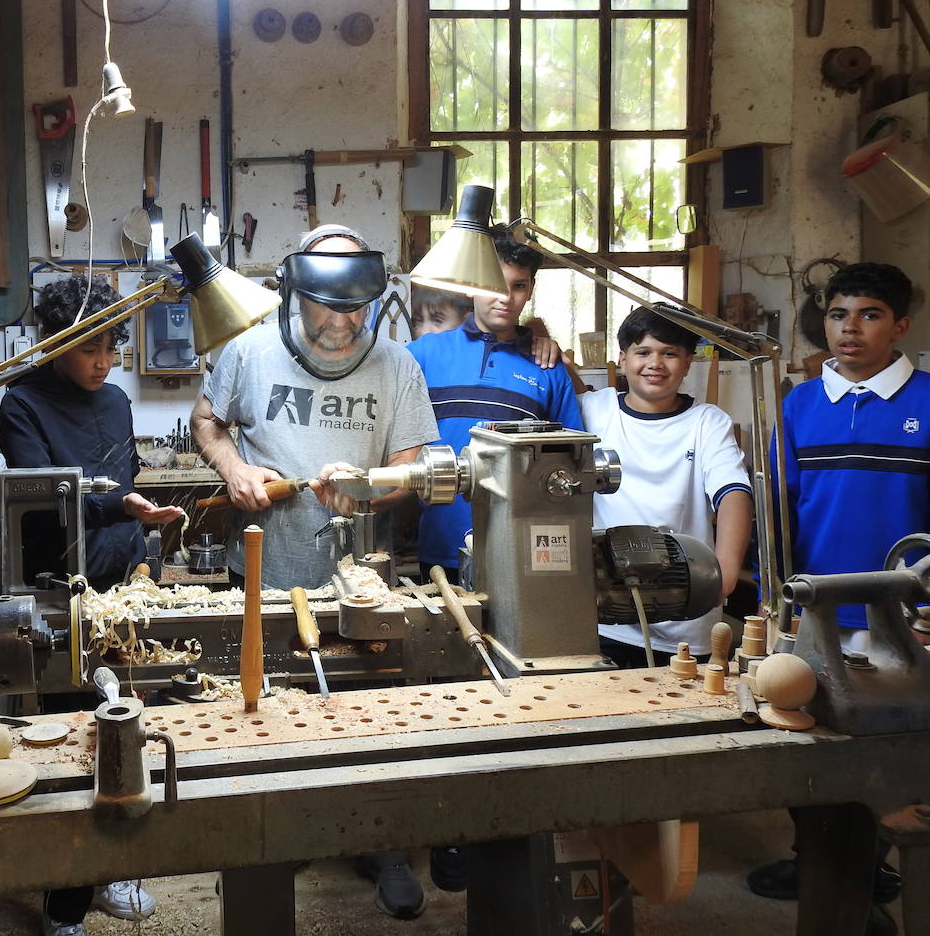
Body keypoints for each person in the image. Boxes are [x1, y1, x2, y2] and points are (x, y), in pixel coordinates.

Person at [191, 224, 439, 919]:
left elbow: (417, 465)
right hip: (273, 564)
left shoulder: (397, 365)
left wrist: (368, 485)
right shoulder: (247, 347)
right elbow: (206, 421)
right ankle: (270, 839)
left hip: (363, 569)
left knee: (372, 701)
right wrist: (235, 467)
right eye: (330, 305)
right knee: (271, 704)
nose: (346, 319)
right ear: (294, 290)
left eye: (358, 305)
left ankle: (382, 841)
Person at [0, 276, 182, 936]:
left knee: (131, 737)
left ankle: (114, 870)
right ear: (54, 346)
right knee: (74, 748)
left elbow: (129, 490)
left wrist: (147, 560)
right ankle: (63, 903)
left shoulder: (116, 403)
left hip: (121, 594)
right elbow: (47, 501)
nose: (102, 361)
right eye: (88, 348)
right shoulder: (20, 405)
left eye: (111, 345)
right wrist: (120, 505)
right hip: (58, 598)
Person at [746, 263, 929, 936]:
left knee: (893, 762)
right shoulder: (798, 406)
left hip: (907, 623)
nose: (850, 328)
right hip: (816, 617)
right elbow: (779, 513)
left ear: (900, 325)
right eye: (839, 314)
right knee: (812, 754)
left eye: (870, 314)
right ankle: (835, 877)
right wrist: (775, 602)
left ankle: (862, 881)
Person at [408, 224, 584, 582]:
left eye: (518, 285)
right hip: (439, 548)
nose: (506, 297)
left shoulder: (548, 369)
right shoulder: (423, 355)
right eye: (495, 283)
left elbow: (574, 465)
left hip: (519, 551)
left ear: (530, 289)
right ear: (473, 285)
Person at [581, 307, 754, 667]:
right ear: (623, 358)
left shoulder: (707, 422)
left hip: (687, 615)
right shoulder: (595, 410)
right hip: (605, 614)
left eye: (670, 353)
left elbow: (734, 493)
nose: (655, 363)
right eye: (643, 352)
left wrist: (724, 573)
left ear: (688, 362)